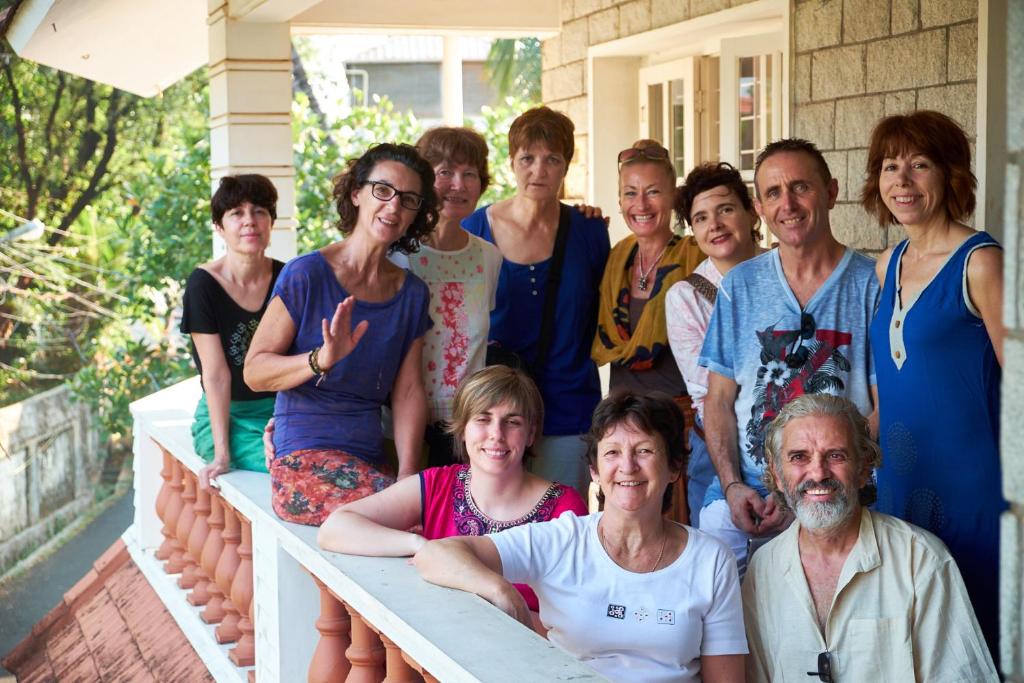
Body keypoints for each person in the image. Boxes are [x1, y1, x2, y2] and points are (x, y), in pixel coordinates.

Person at [414, 392, 747, 683]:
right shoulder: (563, 539)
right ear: (594, 471)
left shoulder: (712, 560)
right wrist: (501, 590)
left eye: (644, 451)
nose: (627, 466)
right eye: (612, 453)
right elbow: (437, 555)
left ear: (674, 467)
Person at [861, 110, 1005, 661]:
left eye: (919, 165)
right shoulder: (886, 265)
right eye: (890, 166)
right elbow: (889, 391)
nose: (902, 180)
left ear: (950, 175)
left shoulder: (981, 262)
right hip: (900, 479)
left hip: (973, 485)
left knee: (971, 636)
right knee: (912, 634)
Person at [699, 139, 879, 575]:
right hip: (745, 495)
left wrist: (804, 488)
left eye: (801, 187)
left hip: (833, 489)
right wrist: (733, 485)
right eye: (774, 193)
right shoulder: (739, 286)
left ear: (832, 192)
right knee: (714, 602)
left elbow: (884, 404)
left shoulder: (872, 282)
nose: (789, 204)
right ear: (759, 206)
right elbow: (718, 401)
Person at [742, 394, 997, 683]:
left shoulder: (920, 559)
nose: (818, 472)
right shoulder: (763, 568)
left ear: (864, 469)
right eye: (799, 457)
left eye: (836, 455)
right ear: (777, 474)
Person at [245, 143, 435, 526]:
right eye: (383, 190)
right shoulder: (306, 274)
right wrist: (320, 359)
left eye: (409, 199)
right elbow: (255, 371)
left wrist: (408, 478)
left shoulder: (413, 293)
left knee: (436, 512)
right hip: (302, 459)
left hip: (368, 461)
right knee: (406, 527)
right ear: (356, 194)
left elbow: (410, 392)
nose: (394, 206)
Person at [317, 365, 587, 617]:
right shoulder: (437, 485)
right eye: (483, 419)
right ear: (462, 430)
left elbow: (576, 615)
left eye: (512, 422)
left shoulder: (564, 507)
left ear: (530, 434)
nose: (496, 434)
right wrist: (421, 546)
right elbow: (335, 528)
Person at [463, 106, 610, 500]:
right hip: (495, 410)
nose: (538, 170)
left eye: (552, 159)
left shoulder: (590, 231)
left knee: (562, 520)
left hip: (568, 403)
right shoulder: (475, 229)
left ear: (566, 166)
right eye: (528, 158)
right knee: (493, 524)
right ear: (512, 162)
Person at [389, 127, 502, 467]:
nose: (459, 184)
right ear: (424, 181)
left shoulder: (489, 257)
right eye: (446, 173)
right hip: (399, 422)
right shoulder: (397, 255)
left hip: (466, 428)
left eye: (470, 174)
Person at [665, 162, 763, 525]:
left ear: (752, 211)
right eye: (701, 218)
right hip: (722, 450)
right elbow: (709, 388)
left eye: (725, 209)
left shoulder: (790, 271)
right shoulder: (685, 298)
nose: (715, 225)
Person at [181, 174, 285, 490]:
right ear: (219, 226)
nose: (249, 221)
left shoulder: (288, 277)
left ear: (271, 221)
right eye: (236, 213)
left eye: (259, 211)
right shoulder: (203, 286)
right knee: (285, 462)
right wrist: (222, 455)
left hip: (281, 412)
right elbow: (215, 375)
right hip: (229, 417)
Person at [592, 139, 704, 396]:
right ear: (620, 201)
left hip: (680, 419)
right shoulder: (614, 259)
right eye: (630, 193)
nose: (641, 205)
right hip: (622, 418)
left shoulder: (698, 256)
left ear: (673, 197)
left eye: (653, 191)